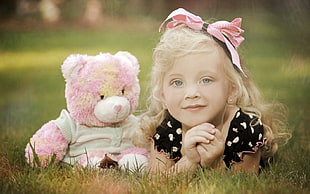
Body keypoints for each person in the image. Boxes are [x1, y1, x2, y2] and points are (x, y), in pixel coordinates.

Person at [134, 8, 290, 175]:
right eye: (177, 82)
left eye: (206, 80)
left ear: (232, 91)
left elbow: (244, 183)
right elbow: (155, 182)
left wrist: (215, 163)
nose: (191, 93)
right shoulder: (169, 127)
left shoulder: (245, 127)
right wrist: (191, 160)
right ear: (163, 96)